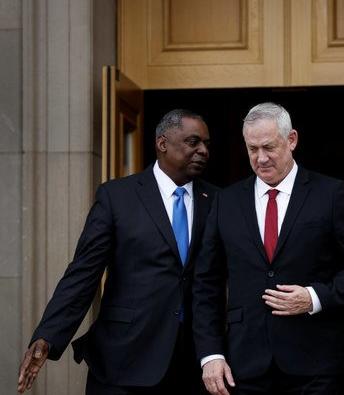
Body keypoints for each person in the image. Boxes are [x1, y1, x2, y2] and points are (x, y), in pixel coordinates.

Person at [17, 109, 218, 394]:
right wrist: (47, 336)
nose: (203, 151)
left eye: (206, 144)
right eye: (193, 142)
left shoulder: (217, 201)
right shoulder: (117, 197)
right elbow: (83, 273)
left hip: (190, 363)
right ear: (162, 143)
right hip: (123, 359)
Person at [192, 102, 344, 395]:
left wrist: (314, 297)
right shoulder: (226, 202)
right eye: (252, 149)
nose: (261, 158)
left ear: (291, 140)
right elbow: (206, 284)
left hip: (315, 364)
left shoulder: (330, 194)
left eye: (269, 147)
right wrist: (211, 355)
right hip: (244, 365)